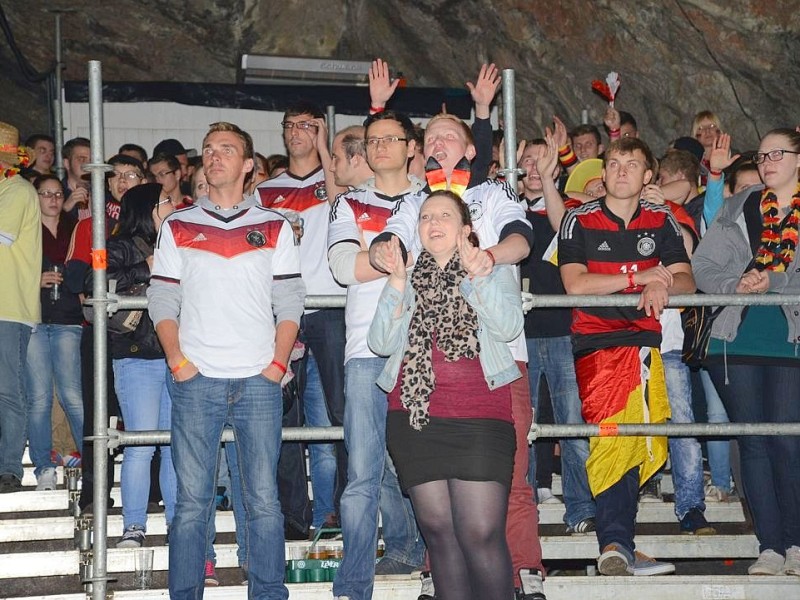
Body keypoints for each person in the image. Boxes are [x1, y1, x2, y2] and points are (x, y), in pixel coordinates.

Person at [149, 121, 305, 599]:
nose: (214, 156)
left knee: (262, 502)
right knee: (192, 503)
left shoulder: (274, 225)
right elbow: (161, 301)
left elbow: (290, 302)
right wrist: (178, 361)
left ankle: (268, 593)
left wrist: (276, 366)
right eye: (208, 150)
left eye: (226, 149)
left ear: (249, 165)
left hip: (259, 380)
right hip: (196, 380)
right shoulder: (177, 224)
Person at [368, 190, 522, 600]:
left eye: (443, 216)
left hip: (480, 417)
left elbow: (508, 327)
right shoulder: (407, 276)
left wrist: (479, 276)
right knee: (439, 535)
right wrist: (397, 284)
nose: (432, 223)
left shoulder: (491, 268)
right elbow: (380, 342)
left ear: (466, 229)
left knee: (480, 532)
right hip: (415, 419)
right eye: (425, 217)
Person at [558, 137, 696, 576]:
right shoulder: (577, 219)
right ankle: (614, 542)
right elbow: (575, 285)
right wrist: (639, 277)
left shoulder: (662, 219)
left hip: (645, 344)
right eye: (614, 163)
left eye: (631, 164)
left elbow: (688, 281)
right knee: (613, 440)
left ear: (647, 176)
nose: (620, 171)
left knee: (637, 441)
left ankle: (620, 543)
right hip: (598, 345)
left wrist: (664, 285)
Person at [327, 109, 428, 600]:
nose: (381, 145)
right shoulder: (349, 204)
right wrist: (386, 257)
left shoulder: (435, 200)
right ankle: (353, 586)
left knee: (428, 467)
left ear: (412, 146)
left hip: (428, 348)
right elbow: (343, 266)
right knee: (363, 471)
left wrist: (377, 255)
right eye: (373, 140)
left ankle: (430, 563)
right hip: (366, 346)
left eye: (392, 138)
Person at [692, 127, 800, 577]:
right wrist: (735, 284)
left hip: (789, 337)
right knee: (753, 442)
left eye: (778, 153)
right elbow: (703, 264)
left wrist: (771, 281)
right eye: (762, 155)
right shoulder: (740, 205)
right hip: (736, 336)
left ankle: (796, 544)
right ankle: (770, 545)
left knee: (788, 443)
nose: (767, 161)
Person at [257, 100, 346, 540]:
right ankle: (293, 516)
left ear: (321, 131)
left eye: (307, 126)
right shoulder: (266, 190)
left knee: (340, 412)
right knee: (282, 418)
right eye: (290, 125)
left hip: (330, 307)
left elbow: (339, 201)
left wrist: (327, 149)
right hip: (283, 311)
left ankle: (344, 511)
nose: (297, 132)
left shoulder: (333, 179)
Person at [520, 136, 596, 534]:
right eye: (527, 162)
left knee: (572, 425)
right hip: (519, 334)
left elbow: (560, 224)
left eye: (542, 162)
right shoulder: (506, 210)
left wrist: (551, 181)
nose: (534, 168)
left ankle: (581, 507)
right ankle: (524, 505)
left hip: (565, 330)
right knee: (524, 426)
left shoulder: (572, 210)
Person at [104, 182, 177, 548]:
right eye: (167, 201)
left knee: (174, 445)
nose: (174, 205)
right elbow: (93, 282)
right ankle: (134, 526)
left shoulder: (179, 243)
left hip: (176, 356)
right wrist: (143, 268)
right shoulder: (118, 246)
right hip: (136, 357)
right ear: (149, 208)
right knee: (140, 445)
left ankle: (180, 524)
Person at [25, 175, 83, 491]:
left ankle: (91, 461)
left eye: (58, 193)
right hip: (33, 317)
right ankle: (44, 467)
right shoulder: (24, 227)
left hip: (68, 319)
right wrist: (36, 279)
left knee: (72, 395)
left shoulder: (75, 226)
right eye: (45, 193)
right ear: (35, 197)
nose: (52, 199)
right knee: (39, 398)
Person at [0, 121, 41, 493]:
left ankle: (9, 467)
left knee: (8, 390)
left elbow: (3, 236)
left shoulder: (15, 190)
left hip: (8, 308)